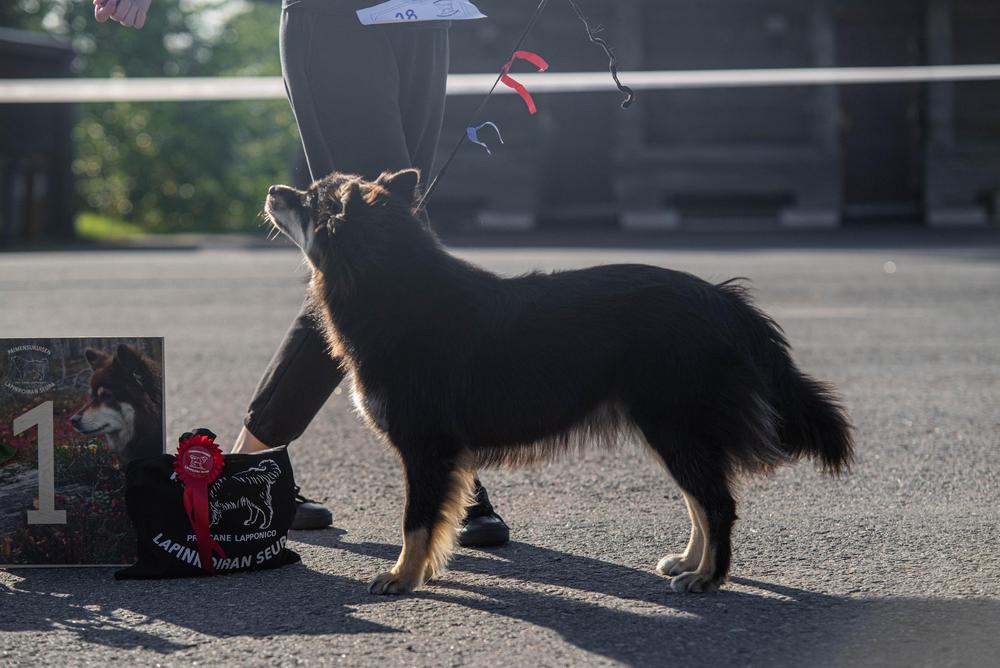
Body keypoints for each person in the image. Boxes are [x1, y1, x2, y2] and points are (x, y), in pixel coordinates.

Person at [93, 0, 510, 547]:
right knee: (374, 257)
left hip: (424, 20)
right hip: (339, 22)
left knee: (394, 252)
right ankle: (252, 469)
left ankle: (250, 470)